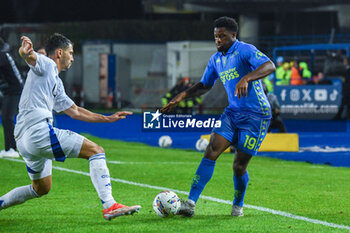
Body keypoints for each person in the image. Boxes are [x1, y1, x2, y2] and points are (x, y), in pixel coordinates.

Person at [0, 34, 141, 220]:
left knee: (41, 188)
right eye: (71, 52)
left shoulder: (55, 82)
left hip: (24, 140)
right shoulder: (48, 64)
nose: (73, 57)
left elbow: (75, 111)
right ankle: (110, 205)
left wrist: (107, 118)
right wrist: (24, 52)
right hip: (38, 132)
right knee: (96, 151)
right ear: (59, 53)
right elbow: (31, 57)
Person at [162, 16, 275, 217]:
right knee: (211, 151)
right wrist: (182, 95)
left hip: (257, 115)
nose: (218, 40)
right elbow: (205, 84)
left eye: (222, 36)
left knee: (239, 166)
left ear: (234, 35)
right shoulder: (216, 60)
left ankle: (237, 205)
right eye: (215, 36)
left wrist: (246, 78)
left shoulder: (245, 50)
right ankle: (190, 203)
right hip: (232, 113)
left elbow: (269, 66)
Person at [0, 37, 23, 158]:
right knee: (6, 118)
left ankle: (12, 149)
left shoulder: (2, 55)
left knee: (7, 118)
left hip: (14, 91)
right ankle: (9, 148)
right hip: (9, 91)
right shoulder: (4, 54)